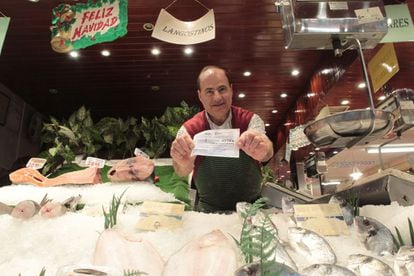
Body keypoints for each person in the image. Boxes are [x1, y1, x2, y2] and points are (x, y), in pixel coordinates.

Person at [170, 65, 274, 213]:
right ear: (200, 96)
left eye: (222, 89)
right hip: (208, 211)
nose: (217, 97)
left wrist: (264, 149)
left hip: (252, 208)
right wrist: (181, 162)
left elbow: (268, 153)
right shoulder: (188, 130)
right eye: (209, 92)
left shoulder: (251, 120)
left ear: (231, 90)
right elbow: (181, 171)